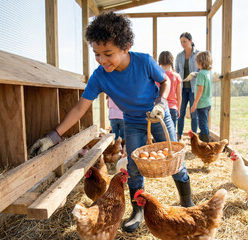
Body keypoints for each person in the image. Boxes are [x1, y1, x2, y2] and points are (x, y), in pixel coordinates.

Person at [28, 12, 195, 233]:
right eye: (97, 54)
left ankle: (187, 203)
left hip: (159, 115)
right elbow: (80, 107)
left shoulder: (143, 61)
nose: (102, 60)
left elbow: (164, 81)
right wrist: (53, 137)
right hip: (134, 122)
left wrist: (161, 103)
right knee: (134, 168)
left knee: (174, 160)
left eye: (108, 53)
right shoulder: (100, 76)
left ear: (125, 47)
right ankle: (137, 211)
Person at [175, 32, 199, 141]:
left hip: (194, 88)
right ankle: (178, 136)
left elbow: (202, 70)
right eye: (181, 42)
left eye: (184, 41)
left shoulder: (198, 54)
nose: (182, 44)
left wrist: (194, 74)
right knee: (181, 113)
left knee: (194, 114)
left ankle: (194, 138)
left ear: (191, 40)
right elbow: (176, 71)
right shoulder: (179, 56)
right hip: (182, 89)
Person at [190, 51, 213, 142]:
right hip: (208, 103)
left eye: (196, 61)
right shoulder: (208, 73)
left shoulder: (201, 74)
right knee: (204, 124)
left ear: (200, 62)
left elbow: (200, 89)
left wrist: (195, 103)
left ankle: (205, 145)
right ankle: (205, 142)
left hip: (202, 104)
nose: (195, 63)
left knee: (202, 125)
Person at [158, 51, 182, 131]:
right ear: (171, 61)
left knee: (160, 134)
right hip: (173, 108)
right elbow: (179, 96)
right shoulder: (176, 76)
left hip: (160, 108)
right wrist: (179, 109)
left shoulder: (157, 76)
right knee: (172, 135)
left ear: (159, 61)